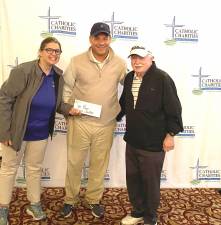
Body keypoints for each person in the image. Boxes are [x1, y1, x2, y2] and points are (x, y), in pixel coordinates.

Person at [0, 37, 75, 225]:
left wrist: (68, 110)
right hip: (17, 132)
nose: (53, 54)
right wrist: (4, 132)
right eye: (49, 50)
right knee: (9, 169)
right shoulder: (23, 71)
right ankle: (3, 207)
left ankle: (34, 204)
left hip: (40, 133)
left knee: (34, 169)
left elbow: (56, 104)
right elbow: (4, 99)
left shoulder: (58, 75)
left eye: (57, 51)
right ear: (40, 51)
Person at [60, 22, 127, 218]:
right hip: (79, 123)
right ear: (90, 39)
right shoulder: (76, 61)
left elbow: (130, 84)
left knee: (99, 165)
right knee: (74, 163)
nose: (101, 42)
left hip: (106, 124)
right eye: (97, 38)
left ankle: (94, 199)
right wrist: (67, 109)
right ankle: (69, 200)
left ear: (109, 39)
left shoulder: (120, 63)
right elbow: (66, 88)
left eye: (104, 37)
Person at [117, 44, 183, 225]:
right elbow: (123, 105)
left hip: (153, 143)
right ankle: (137, 212)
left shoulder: (162, 78)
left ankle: (150, 216)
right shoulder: (130, 78)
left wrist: (170, 134)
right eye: (133, 58)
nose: (136, 61)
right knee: (133, 179)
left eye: (141, 57)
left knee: (150, 182)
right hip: (132, 140)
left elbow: (174, 109)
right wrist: (108, 117)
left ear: (151, 58)